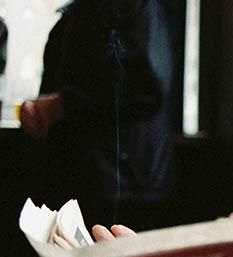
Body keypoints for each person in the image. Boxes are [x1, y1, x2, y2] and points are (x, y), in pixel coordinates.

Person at [19, 0, 176, 231]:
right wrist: (38, 110)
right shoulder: (73, 16)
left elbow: (146, 88)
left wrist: (62, 104)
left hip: (125, 186)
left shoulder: (138, 6)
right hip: (79, 183)